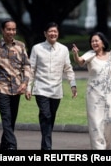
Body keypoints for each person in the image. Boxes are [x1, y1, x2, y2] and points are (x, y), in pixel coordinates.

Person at [71, 32, 111, 150]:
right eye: (92, 41)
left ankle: (105, 147)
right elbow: (80, 61)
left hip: (109, 95)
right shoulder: (90, 55)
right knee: (96, 125)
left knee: (110, 123)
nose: (94, 43)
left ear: (103, 42)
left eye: (96, 40)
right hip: (94, 96)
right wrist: (76, 54)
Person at [25, 22, 77, 150]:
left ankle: (45, 143)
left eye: (55, 31)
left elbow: (68, 69)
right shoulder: (37, 48)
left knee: (50, 117)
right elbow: (31, 69)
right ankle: (47, 148)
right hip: (41, 89)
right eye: (50, 31)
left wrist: (73, 84)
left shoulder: (63, 49)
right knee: (46, 115)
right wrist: (28, 87)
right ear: (45, 33)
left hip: (56, 90)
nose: (53, 34)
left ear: (58, 33)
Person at [0, 19, 31, 150]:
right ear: (3, 30)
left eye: (13, 29)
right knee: (6, 118)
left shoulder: (21, 46)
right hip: (1, 88)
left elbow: (27, 66)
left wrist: (25, 83)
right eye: (9, 29)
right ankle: (12, 147)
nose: (11, 32)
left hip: (16, 89)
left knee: (11, 121)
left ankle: (3, 147)